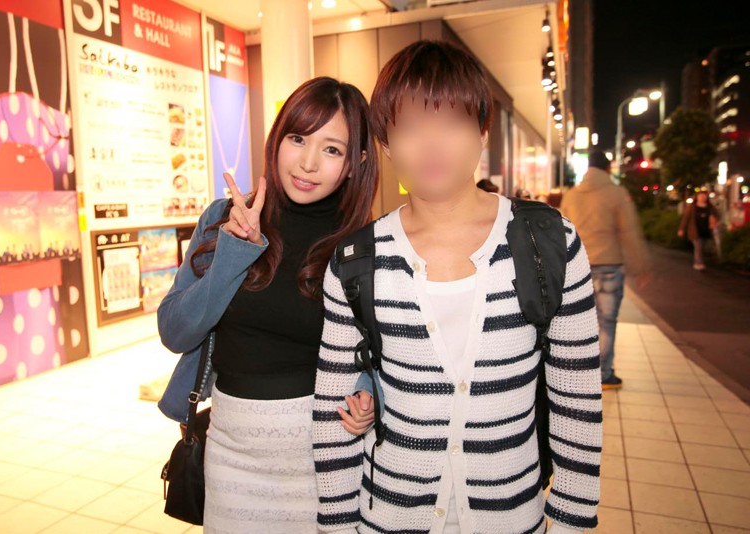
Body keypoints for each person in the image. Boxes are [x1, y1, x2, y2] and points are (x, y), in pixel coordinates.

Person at [314, 40, 602, 534]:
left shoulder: (549, 242)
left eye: (451, 122)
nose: (432, 145)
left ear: (482, 131)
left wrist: (571, 523)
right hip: (388, 518)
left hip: (511, 517)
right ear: (386, 143)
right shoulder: (356, 260)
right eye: (410, 127)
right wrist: (338, 528)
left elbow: (577, 395)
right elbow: (331, 411)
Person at [156, 77, 378, 533]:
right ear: (277, 139)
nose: (308, 162)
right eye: (297, 139)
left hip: (322, 453)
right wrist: (233, 254)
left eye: (331, 149)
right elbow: (175, 331)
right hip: (230, 451)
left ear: (355, 163)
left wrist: (367, 391)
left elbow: (378, 349)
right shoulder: (225, 218)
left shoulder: (361, 245)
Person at [560, 150, 650, 390]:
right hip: (609, 264)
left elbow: (562, 232)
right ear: (607, 168)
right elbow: (629, 232)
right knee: (606, 322)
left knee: (577, 323)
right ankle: (603, 373)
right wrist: (640, 266)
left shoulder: (571, 195)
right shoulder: (616, 193)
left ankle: (576, 371)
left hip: (578, 266)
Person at [678, 190, 719, 271]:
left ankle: (700, 261)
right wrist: (681, 229)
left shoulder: (710, 207)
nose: (702, 198)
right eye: (700, 196)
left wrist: (714, 220)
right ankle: (698, 263)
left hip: (706, 230)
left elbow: (717, 215)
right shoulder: (692, 207)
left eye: (704, 196)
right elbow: (685, 218)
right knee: (698, 247)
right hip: (695, 230)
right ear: (697, 197)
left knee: (702, 247)